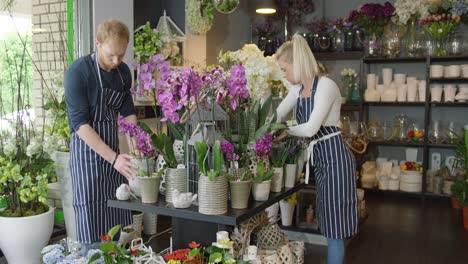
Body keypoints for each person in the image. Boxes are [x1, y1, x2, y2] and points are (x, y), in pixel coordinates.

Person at [274, 33, 358, 264]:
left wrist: (285, 131)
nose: (284, 75)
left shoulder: (326, 86)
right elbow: (277, 114)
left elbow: (311, 128)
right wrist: (261, 127)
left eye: (284, 69)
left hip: (335, 161)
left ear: (297, 63)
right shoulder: (299, 89)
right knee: (328, 223)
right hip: (320, 161)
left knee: (334, 230)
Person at [64, 19, 138, 247]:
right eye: (110, 55)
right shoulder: (78, 72)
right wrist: (114, 158)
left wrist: (137, 151)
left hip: (114, 158)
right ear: (97, 43)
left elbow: (128, 113)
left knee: (117, 212)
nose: (116, 61)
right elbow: (80, 125)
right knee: (91, 216)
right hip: (87, 156)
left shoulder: (123, 73)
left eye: (121, 55)